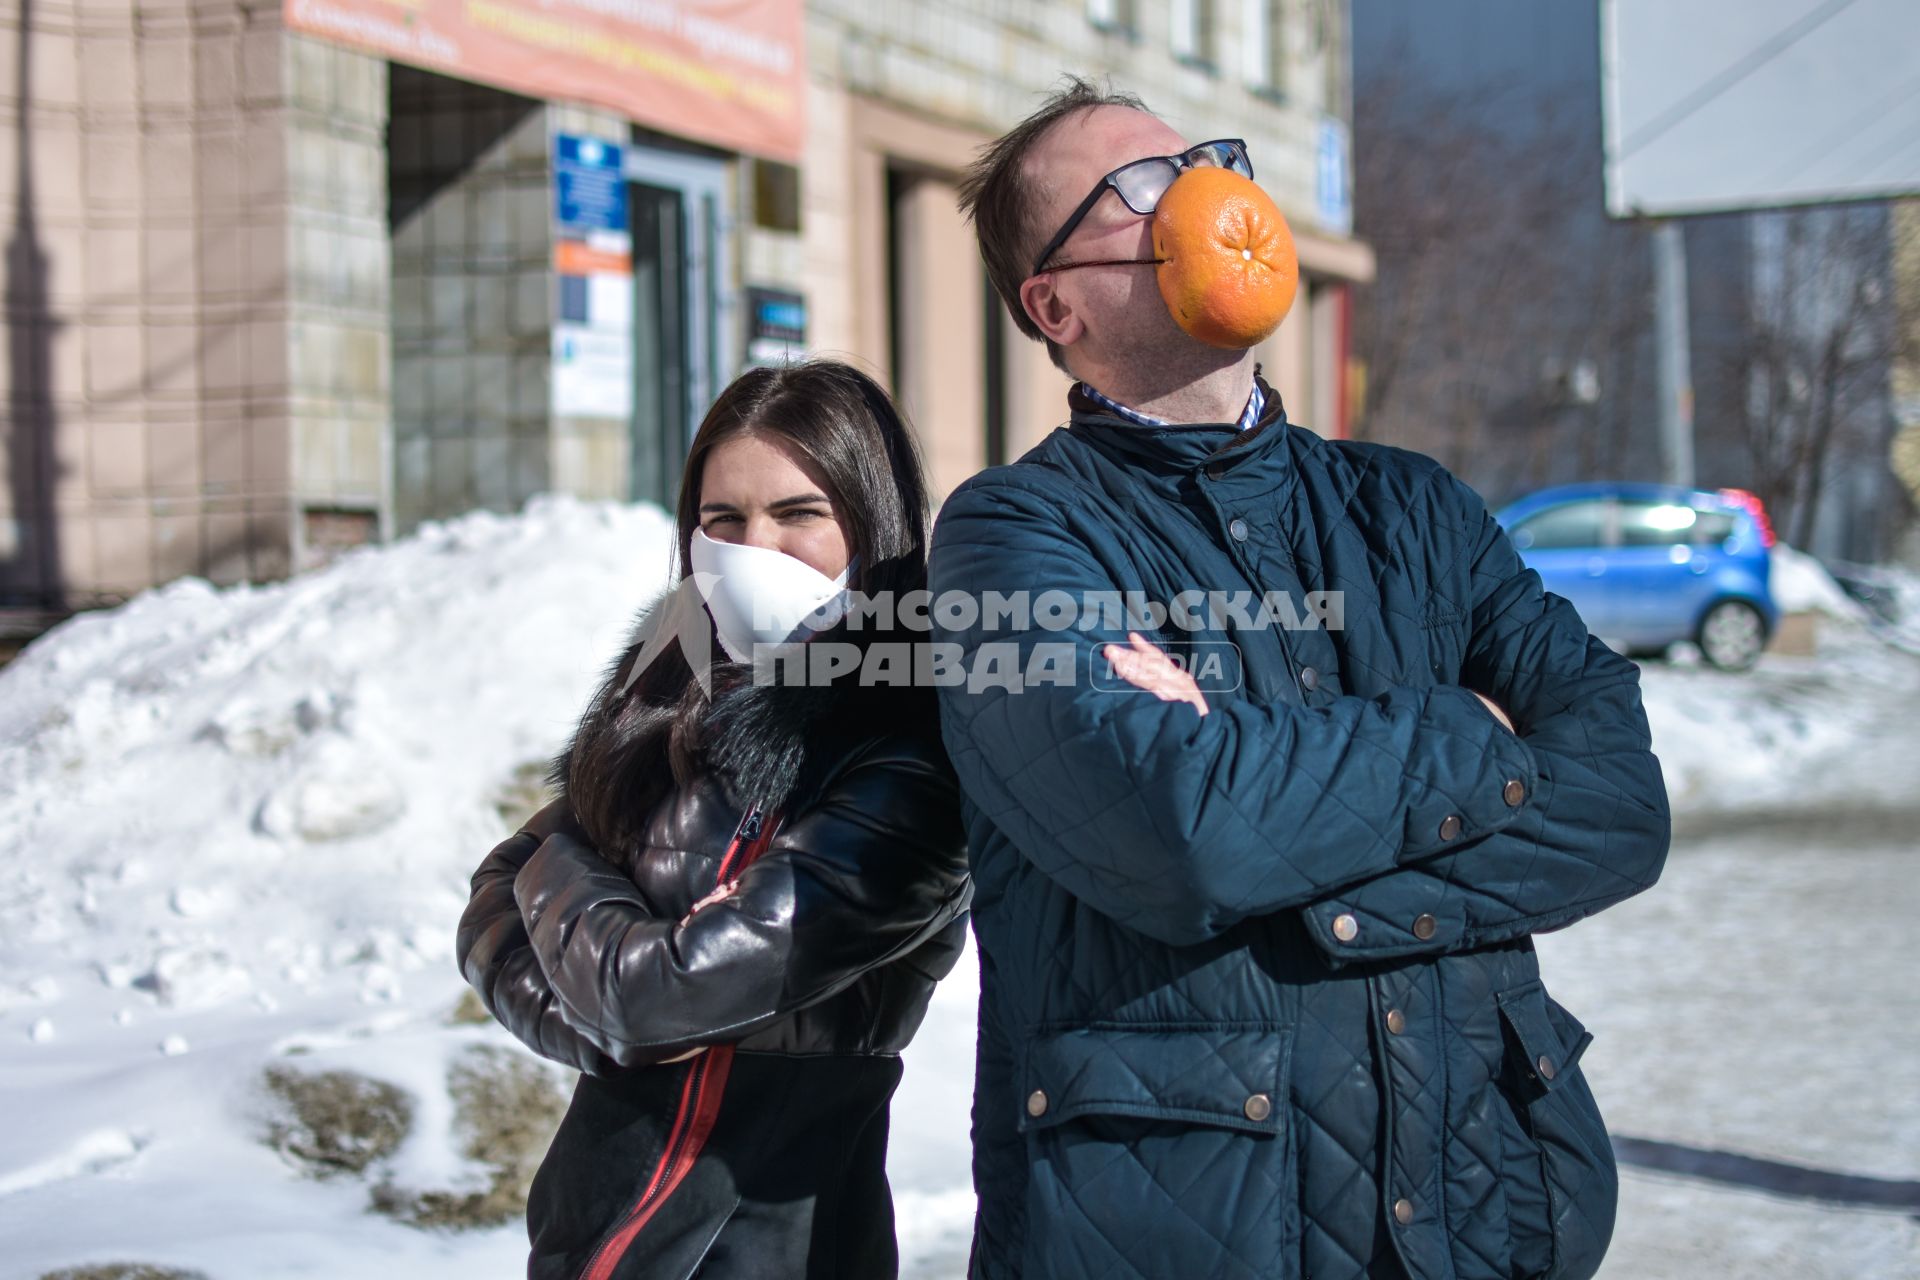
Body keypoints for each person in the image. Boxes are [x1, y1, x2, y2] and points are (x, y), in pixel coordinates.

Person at [930, 79, 1670, 1280]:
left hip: (1484, 1218)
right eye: (1135, 190)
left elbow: (1621, 802)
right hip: (1180, 1231)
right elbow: (1180, 834)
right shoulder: (1012, 536)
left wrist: (1275, 827)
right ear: (1052, 303)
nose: (1201, 196)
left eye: (1205, 161)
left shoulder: (1413, 506)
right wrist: (1475, 732)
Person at [456, 358, 973, 1280]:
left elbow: (650, 989)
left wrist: (556, 872)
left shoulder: (910, 751)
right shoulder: (673, 684)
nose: (751, 551)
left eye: (798, 514)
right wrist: (612, 1028)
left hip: (769, 1248)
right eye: (721, 520)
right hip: (592, 1235)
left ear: (873, 523)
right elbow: (492, 908)